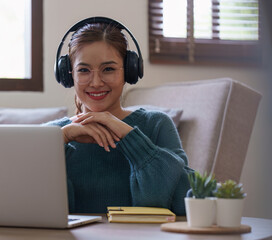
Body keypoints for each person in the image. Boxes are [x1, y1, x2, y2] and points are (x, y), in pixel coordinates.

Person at [48, 17, 193, 215]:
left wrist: (130, 136)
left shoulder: (157, 125)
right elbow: (28, 207)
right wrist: (60, 140)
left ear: (129, 71)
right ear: (68, 75)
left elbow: (184, 203)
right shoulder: (51, 135)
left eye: (108, 69)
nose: (96, 82)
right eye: (84, 70)